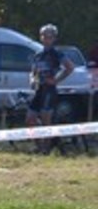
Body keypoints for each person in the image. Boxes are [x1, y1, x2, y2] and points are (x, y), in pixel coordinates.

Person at [26, 23, 74, 152]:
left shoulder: (57, 54)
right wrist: (32, 80)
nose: (47, 39)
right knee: (30, 119)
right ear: (41, 37)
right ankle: (39, 146)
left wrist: (56, 80)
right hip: (38, 89)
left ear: (54, 38)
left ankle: (47, 148)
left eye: (50, 37)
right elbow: (33, 71)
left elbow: (70, 67)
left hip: (49, 90)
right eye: (44, 36)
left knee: (45, 118)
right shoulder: (38, 54)